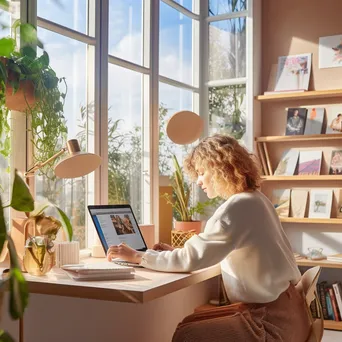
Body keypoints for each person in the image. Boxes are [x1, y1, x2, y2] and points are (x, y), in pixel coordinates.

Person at [107, 134, 310, 342]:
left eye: (202, 172)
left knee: (187, 334)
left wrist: (139, 257)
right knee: (189, 324)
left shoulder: (237, 207)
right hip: (291, 313)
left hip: (270, 322)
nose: (198, 181)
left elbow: (193, 258)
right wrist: (176, 253)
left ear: (218, 168)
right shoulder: (257, 200)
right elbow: (210, 250)